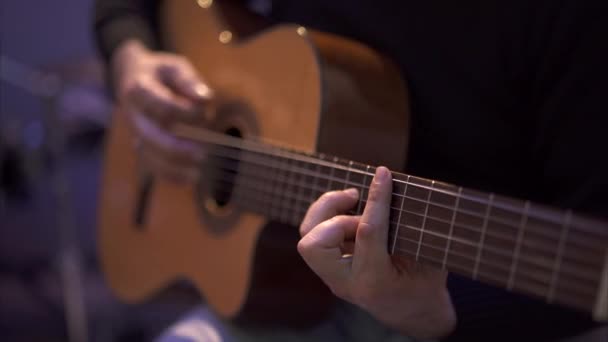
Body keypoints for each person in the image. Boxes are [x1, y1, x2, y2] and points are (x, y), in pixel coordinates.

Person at [93, 0, 608, 341]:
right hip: (286, 298)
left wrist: (440, 313)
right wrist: (129, 56)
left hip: (470, 312)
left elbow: (584, 275)